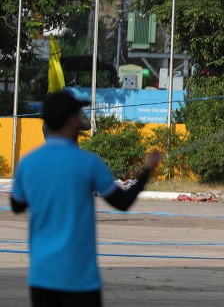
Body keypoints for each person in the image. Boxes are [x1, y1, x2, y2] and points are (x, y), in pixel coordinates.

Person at [11, 91, 161, 307]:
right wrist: (147, 171)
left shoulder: (29, 163)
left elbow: (17, 206)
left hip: (42, 277)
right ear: (72, 121)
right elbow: (123, 202)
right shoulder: (89, 163)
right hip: (80, 279)